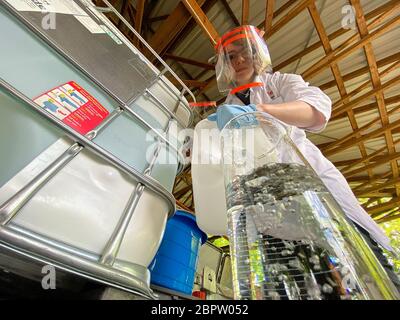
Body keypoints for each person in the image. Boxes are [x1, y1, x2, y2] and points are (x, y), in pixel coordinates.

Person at [206, 25, 400, 294]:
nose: (238, 61)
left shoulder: (280, 83)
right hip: (267, 204)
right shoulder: (224, 110)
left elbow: (315, 109)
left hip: (309, 182)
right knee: (296, 283)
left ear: (257, 54)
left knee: (366, 264)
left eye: (244, 53)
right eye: (230, 57)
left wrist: (259, 110)